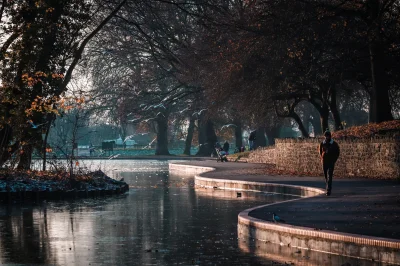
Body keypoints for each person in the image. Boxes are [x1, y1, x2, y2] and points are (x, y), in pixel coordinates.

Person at [319, 129, 340, 196]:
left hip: (331, 161)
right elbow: (320, 151)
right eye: (325, 136)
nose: (326, 137)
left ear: (330, 136)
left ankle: (328, 190)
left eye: (327, 136)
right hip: (324, 161)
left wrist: (334, 159)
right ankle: (328, 185)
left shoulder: (334, 144)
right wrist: (322, 157)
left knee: (329, 175)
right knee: (326, 175)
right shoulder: (322, 143)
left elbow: (337, 152)